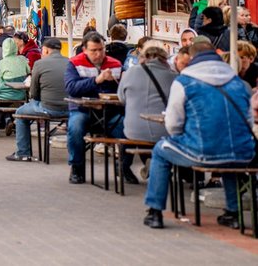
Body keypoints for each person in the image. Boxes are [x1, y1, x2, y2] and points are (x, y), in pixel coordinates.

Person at [142, 38, 256, 230]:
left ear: (193, 57)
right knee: (230, 156)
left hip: (201, 151)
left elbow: (173, 124)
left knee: (161, 150)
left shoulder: (184, 82)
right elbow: (249, 120)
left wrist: (181, 137)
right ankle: (234, 213)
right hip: (242, 152)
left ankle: (155, 211)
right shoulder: (238, 82)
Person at [64, 32, 135, 185]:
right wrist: (96, 80)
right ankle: (77, 167)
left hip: (109, 112)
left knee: (129, 128)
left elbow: (124, 89)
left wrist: (117, 82)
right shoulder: (74, 64)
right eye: (94, 50)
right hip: (82, 110)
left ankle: (123, 166)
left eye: (101, 49)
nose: (98, 54)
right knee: (75, 128)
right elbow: (71, 88)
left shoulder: (115, 64)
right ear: (84, 50)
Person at [5, 38, 69, 162]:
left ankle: (23, 152)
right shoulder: (70, 62)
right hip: (70, 108)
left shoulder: (39, 64)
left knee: (20, 113)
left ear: (45, 50)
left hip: (48, 108)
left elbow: (34, 93)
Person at [118, 45, 175, 145]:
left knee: (123, 130)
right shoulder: (174, 77)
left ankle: (124, 161)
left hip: (133, 132)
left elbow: (122, 99)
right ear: (165, 60)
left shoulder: (130, 72)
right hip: (164, 133)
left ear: (142, 57)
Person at [0, 37, 29, 137]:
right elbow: (28, 73)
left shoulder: (0, 64)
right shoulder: (23, 60)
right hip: (20, 94)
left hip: (4, 94)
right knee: (9, 101)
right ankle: (10, 121)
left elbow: (0, 81)